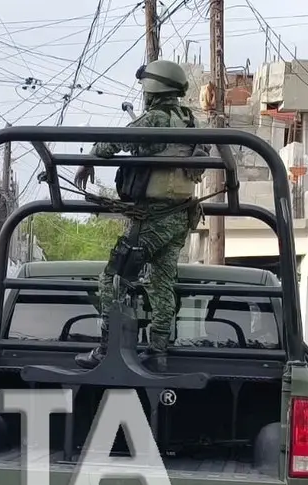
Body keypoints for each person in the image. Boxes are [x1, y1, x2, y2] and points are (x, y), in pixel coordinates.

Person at [72, 59, 208, 370]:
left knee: (113, 277)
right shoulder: (188, 121)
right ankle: (157, 351)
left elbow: (115, 141)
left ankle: (107, 348)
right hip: (180, 218)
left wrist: (90, 158)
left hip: (155, 217)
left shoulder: (157, 119)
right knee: (162, 283)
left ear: (152, 88)